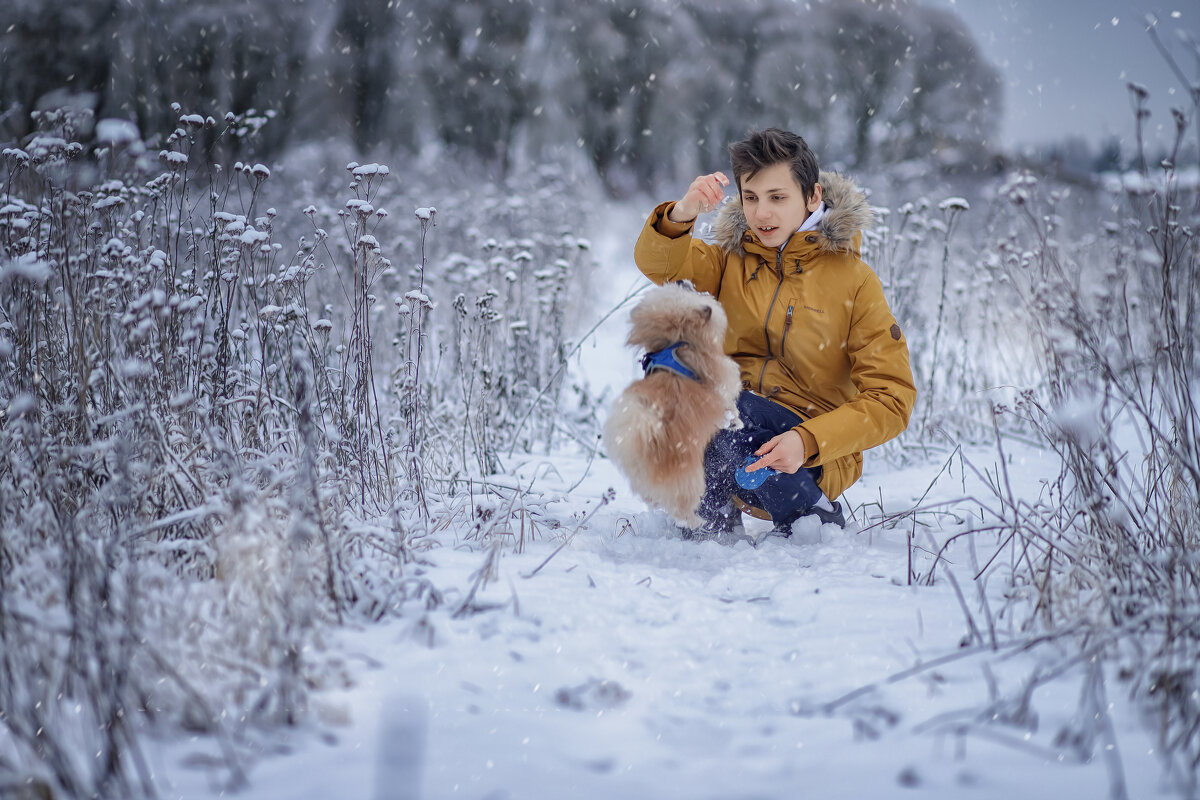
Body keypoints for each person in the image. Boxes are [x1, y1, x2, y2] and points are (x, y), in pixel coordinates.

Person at [633, 128, 916, 537]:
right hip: (736, 416)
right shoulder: (731, 260)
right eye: (751, 198)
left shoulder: (854, 281)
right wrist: (683, 211)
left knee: (727, 413)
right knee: (672, 368)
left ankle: (810, 516)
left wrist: (808, 439)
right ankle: (705, 522)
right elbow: (660, 267)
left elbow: (892, 398)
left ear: (812, 196)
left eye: (777, 198)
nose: (762, 213)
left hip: (810, 445)